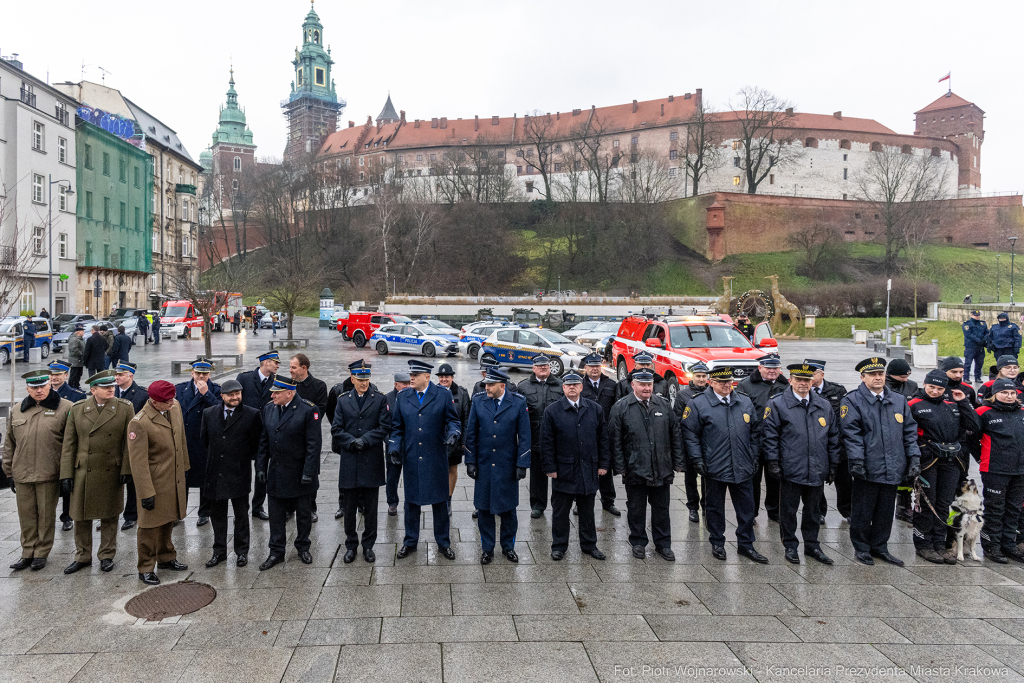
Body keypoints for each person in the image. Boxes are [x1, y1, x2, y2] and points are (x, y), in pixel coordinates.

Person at [840, 357, 921, 567]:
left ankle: (880, 546)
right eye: (873, 374)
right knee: (863, 510)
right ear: (863, 377)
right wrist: (857, 460)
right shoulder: (852, 400)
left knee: (885, 510)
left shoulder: (898, 400)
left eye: (880, 374)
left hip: (893, 465)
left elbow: (909, 432)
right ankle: (861, 547)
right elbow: (852, 434)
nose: (878, 378)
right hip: (867, 466)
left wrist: (913, 458)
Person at [682, 366, 767, 563]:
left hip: (743, 465)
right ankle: (717, 543)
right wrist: (697, 460)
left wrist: (754, 455)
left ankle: (746, 544)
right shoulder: (698, 404)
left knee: (746, 508)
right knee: (714, 508)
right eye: (721, 382)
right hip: (714, 466)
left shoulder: (744, 401)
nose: (726, 385)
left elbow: (755, 432)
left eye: (729, 381)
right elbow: (690, 434)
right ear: (711, 382)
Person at [762, 363, 841, 565]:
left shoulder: (823, 405)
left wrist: (833, 465)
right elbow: (770, 436)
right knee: (788, 511)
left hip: (816, 468)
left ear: (812, 381)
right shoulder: (778, 404)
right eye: (799, 380)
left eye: (806, 380)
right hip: (790, 468)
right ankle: (790, 545)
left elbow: (833, 437)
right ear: (791, 381)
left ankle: (813, 545)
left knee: (813, 511)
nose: (803, 384)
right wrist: (772, 461)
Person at [59, 370, 136, 574]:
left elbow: (129, 442)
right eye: (105, 387)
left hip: (111, 468)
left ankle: (106, 555)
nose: (111, 389)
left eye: (112, 386)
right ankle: (82, 555)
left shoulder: (124, 408)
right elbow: (69, 444)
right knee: (80, 516)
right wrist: (66, 473)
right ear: (93, 390)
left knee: (109, 515)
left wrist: (126, 468)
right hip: (83, 470)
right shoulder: (78, 409)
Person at [388, 360, 461, 560]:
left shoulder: (443, 395)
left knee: (440, 503)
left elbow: (453, 420)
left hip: (435, 457)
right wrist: (394, 447)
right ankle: (410, 542)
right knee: (411, 503)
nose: (411, 378)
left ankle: (443, 543)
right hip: (412, 457)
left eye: (416, 375)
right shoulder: (403, 397)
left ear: (427, 377)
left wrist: (454, 432)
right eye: (411, 374)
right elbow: (397, 428)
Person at [610, 369, 685, 561]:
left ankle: (663, 544)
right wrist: (620, 468)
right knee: (636, 508)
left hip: (662, 468)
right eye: (642, 384)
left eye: (649, 384)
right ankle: (638, 542)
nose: (646, 388)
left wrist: (678, 462)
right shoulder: (621, 407)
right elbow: (615, 440)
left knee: (662, 509)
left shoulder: (664, 405)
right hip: (635, 469)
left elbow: (675, 435)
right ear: (633, 385)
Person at [908, 369, 979, 564]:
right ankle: (924, 544)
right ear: (924, 384)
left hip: (951, 460)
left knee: (944, 503)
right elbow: (906, 433)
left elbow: (974, 426)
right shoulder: (914, 404)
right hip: (927, 460)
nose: (935, 391)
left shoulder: (952, 403)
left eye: (939, 388)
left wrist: (963, 401)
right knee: (925, 503)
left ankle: (939, 544)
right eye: (931, 387)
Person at [3, 370, 72, 570]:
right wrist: (9, 472)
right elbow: (9, 444)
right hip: (22, 473)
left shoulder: (66, 408)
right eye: (34, 387)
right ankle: (27, 552)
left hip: (48, 473)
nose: (39, 390)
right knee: (26, 516)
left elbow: (70, 445)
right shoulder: (17, 410)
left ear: (49, 385)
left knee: (45, 516)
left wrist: (66, 474)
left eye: (42, 386)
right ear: (27, 389)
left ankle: (41, 553)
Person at [541, 370, 609, 561]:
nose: (572, 388)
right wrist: (550, 467)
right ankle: (559, 546)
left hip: (588, 469)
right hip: (564, 470)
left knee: (587, 511)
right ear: (563, 388)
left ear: (581, 387)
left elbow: (603, 439)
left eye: (575, 385)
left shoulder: (595, 409)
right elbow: (546, 442)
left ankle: (589, 545)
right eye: (568, 385)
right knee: (560, 511)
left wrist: (603, 464)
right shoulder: (552, 411)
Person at [465, 366, 531, 564]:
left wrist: (522, 463)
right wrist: (470, 460)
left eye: (491, 385)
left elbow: (525, 436)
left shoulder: (518, 403)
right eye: (486, 384)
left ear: (502, 385)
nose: (487, 387)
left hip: (507, 465)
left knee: (509, 509)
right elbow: (471, 434)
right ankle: (487, 548)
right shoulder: (478, 401)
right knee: (483, 509)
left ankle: (508, 546)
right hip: (484, 464)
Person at [256, 376, 322, 570]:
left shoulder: (308, 410)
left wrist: (309, 472)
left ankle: (303, 547)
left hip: (300, 472)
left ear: (290, 393)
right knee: (276, 514)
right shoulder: (269, 408)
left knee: (303, 514)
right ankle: (276, 551)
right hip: (276, 472)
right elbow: (264, 442)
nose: (273, 395)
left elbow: (313, 446)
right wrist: (260, 467)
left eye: (277, 392)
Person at [127, 380, 189, 584]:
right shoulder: (140, 422)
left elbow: (180, 439)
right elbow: (138, 462)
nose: (172, 403)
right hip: (154, 482)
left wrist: (184, 468)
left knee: (169, 519)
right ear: (154, 402)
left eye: (173, 399)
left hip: (173, 477)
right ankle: (145, 566)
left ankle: (166, 556)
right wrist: (145, 493)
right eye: (166, 401)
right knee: (149, 527)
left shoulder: (175, 406)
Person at [331, 360, 390, 563]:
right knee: (349, 507)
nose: (364, 383)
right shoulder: (342, 400)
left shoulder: (380, 399)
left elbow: (384, 427)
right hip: (350, 459)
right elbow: (336, 428)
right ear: (352, 379)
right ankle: (351, 544)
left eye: (366, 379)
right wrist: (351, 442)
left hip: (371, 458)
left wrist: (365, 440)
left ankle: (368, 545)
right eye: (360, 379)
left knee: (371, 508)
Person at [200, 378, 262, 568]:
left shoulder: (252, 415)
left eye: (238, 394)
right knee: (217, 516)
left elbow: (256, 444)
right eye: (231, 394)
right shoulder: (209, 413)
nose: (235, 397)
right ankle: (219, 552)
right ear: (222, 396)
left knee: (241, 515)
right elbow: (205, 440)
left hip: (238, 472)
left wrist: (240, 458)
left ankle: (241, 552)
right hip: (216, 473)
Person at [974, 377, 1024, 563]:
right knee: (995, 509)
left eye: (1012, 393)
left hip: (1019, 470)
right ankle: (991, 546)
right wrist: (981, 456)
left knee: (1014, 509)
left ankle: (1008, 545)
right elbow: (971, 438)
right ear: (995, 394)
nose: (1009, 396)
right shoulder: (983, 412)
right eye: (1004, 393)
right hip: (995, 469)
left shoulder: (1022, 411)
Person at [737, 353, 788, 522]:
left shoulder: (786, 385)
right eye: (768, 368)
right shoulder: (746, 385)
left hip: (777, 441)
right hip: (754, 440)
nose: (772, 371)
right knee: (753, 480)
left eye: (775, 368)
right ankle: (751, 513)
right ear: (760, 368)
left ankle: (774, 511)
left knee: (775, 480)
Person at [175, 359, 221, 528]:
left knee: (204, 479)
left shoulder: (216, 389)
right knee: (182, 479)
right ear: (192, 373)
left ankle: (204, 512)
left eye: (205, 374)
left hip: (204, 441)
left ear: (210, 374)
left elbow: (220, 410)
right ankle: (179, 512)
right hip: (185, 440)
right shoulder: (180, 389)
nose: (201, 376)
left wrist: (206, 394)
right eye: (198, 373)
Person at [236, 351, 281, 521]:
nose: (277, 366)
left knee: (262, 471)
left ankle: (257, 506)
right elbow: (237, 402)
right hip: (246, 433)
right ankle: (241, 509)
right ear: (265, 363)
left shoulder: (276, 381)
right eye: (275, 362)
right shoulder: (245, 379)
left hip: (266, 433)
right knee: (242, 472)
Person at [518, 354, 564, 519]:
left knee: (560, 473)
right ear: (533, 368)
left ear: (549, 367)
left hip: (558, 438)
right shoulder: (523, 387)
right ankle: (538, 505)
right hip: (535, 437)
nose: (543, 368)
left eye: (545, 366)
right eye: (539, 366)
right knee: (537, 475)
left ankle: (560, 504)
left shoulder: (561, 385)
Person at [806, 359, 852, 522]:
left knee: (844, 481)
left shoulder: (837, 391)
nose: (809, 378)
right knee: (816, 481)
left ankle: (848, 510)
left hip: (838, 443)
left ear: (822, 374)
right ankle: (819, 511)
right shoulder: (803, 391)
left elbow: (845, 417)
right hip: (816, 444)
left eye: (812, 374)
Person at [579, 353, 620, 516]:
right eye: (591, 366)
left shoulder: (611, 384)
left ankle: (608, 501)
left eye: (597, 366)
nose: (594, 369)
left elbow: (616, 409)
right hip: (585, 433)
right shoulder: (579, 385)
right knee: (583, 468)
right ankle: (579, 501)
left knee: (605, 469)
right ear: (585, 368)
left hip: (605, 434)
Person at [291, 353, 328, 523]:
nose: (290, 370)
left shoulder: (319, 386)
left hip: (309, 437)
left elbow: (319, 412)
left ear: (304, 368)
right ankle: (289, 508)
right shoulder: (288, 384)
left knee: (310, 471)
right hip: (289, 436)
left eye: (293, 367)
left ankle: (311, 508)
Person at [672, 361, 711, 523]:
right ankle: (693, 507)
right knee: (690, 479)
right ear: (692, 376)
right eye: (698, 376)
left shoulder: (711, 392)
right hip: (689, 444)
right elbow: (677, 421)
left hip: (708, 444)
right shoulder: (683, 395)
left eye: (703, 376)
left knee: (708, 478)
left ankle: (706, 506)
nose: (701, 379)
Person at [48, 361, 84, 532]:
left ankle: (67, 516)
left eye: (58, 374)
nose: (54, 378)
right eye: (52, 374)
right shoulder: (42, 395)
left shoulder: (77, 396)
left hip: (67, 446)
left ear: (66, 375)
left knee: (68, 483)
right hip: (48, 447)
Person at [885, 357, 919, 524]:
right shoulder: (884, 387)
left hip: (908, 430)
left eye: (907, 376)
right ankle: (898, 506)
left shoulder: (912, 386)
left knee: (909, 474)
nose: (905, 380)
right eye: (901, 377)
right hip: (891, 433)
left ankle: (905, 506)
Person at [114, 361, 147, 530]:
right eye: (116, 375)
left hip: (133, 443)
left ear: (130, 376)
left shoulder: (141, 395)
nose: (117, 377)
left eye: (121, 375)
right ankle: (110, 515)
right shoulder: (110, 392)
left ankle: (131, 514)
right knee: (112, 481)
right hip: (113, 444)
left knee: (133, 482)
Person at [436, 363, 471, 516]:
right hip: (437, 439)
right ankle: (439, 498)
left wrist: (464, 440)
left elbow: (466, 419)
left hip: (455, 440)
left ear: (452, 377)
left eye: (447, 377)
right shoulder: (434, 391)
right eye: (441, 377)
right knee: (437, 470)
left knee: (452, 469)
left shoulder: (462, 393)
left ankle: (448, 500)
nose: (444, 379)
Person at [382, 373, 411, 517]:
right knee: (392, 477)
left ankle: (410, 502)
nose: (407, 386)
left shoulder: (412, 396)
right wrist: (388, 442)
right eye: (403, 383)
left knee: (410, 476)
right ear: (396, 385)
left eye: (408, 383)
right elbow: (383, 424)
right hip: (393, 444)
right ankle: (392, 503)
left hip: (410, 444)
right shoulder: (387, 399)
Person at [963, 310, 989, 384]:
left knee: (979, 363)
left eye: (978, 315)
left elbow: (987, 332)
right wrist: (978, 340)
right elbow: (968, 334)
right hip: (970, 346)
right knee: (968, 363)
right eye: (976, 315)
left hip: (980, 347)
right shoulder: (967, 324)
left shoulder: (982, 323)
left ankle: (977, 377)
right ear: (971, 315)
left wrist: (984, 339)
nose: (977, 317)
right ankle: (966, 378)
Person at [68, 324, 86, 389]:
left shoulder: (81, 339)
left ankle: (76, 386)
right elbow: (74, 350)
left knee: (79, 374)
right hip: (75, 360)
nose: (84, 332)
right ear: (78, 332)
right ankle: (71, 387)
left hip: (79, 360)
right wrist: (81, 354)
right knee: (74, 375)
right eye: (82, 331)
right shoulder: (74, 339)